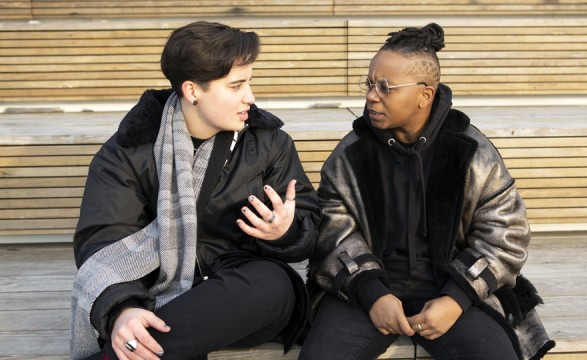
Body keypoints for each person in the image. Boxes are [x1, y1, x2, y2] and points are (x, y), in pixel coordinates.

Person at [300, 23, 555, 360]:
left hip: (453, 291)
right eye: (369, 84)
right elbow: (333, 231)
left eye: (385, 87)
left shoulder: (471, 152)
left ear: (425, 95)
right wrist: (373, 293)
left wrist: (455, 299)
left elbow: (506, 231)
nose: (371, 96)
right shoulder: (351, 154)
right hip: (367, 294)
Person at [70, 21, 321, 360]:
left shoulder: (269, 143)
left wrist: (284, 231)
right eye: (236, 86)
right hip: (153, 294)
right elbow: (104, 239)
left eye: (249, 82)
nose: (250, 96)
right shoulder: (130, 150)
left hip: (245, 294)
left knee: (270, 284)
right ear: (192, 91)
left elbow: (306, 217)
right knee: (159, 319)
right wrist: (123, 309)